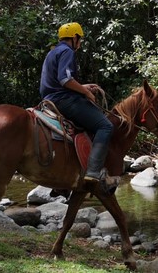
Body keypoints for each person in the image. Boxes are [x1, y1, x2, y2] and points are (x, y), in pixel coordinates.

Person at [40, 22, 113, 189]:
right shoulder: (67, 51)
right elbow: (65, 80)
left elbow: (59, 81)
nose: (79, 43)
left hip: (49, 100)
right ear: (75, 38)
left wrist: (83, 87)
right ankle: (93, 171)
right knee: (105, 126)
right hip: (64, 100)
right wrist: (86, 93)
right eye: (80, 39)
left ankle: (64, 184)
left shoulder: (52, 52)